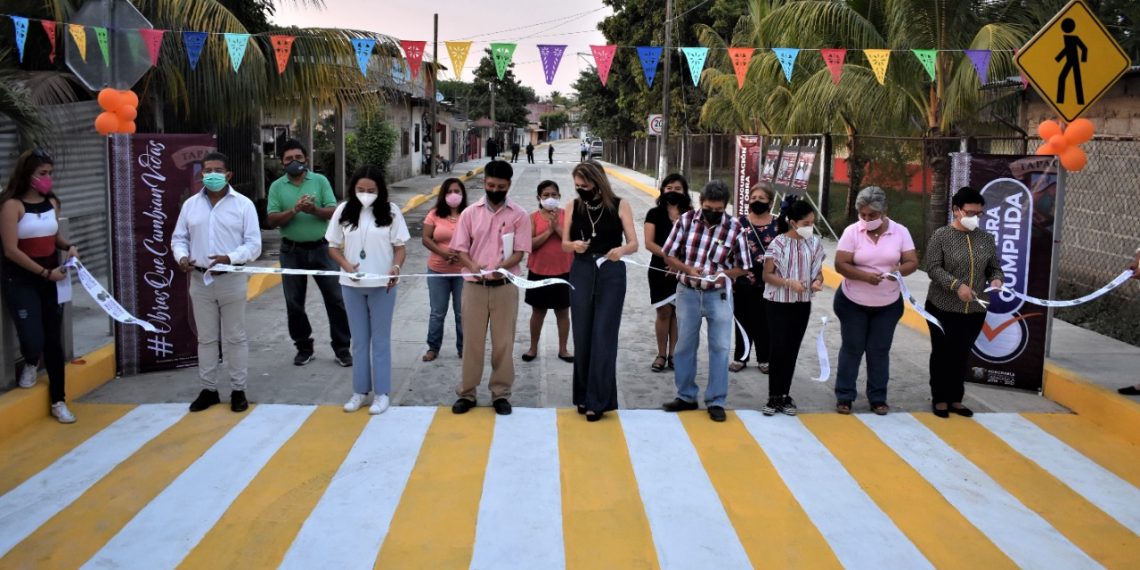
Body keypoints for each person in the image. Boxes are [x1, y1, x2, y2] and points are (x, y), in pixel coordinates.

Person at [171, 152, 262, 413]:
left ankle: (238, 390)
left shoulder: (243, 205)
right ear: (201, 175)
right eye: (207, 170)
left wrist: (230, 257)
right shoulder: (190, 205)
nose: (211, 175)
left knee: (235, 337)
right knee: (207, 338)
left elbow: (254, 245)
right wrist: (182, 256)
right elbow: (179, 238)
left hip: (231, 278)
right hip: (199, 279)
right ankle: (209, 389)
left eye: (217, 170)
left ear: (228, 174)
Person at [660, 180, 751, 423]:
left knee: (720, 348)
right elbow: (667, 255)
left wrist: (723, 274)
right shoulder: (686, 221)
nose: (713, 213)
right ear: (701, 203)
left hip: (718, 295)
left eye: (719, 210)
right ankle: (686, 396)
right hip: (687, 293)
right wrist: (687, 268)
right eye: (709, 207)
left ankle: (716, 400)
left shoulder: (735, 229)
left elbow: (743, 267)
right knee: (684, 347)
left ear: (726, 206)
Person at [0, 149, 78, 423]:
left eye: (50, 173)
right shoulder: (12, 205)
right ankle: (31, 361)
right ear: (27, 175)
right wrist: (45, 273)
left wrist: (69, 247)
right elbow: (11, 250)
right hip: (22, 278)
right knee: (33, 338)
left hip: (52, 276)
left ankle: (59, 400)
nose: (48, 179)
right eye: (42, 174)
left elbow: (52, 237)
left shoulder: (52, 203)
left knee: (53, 341)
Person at [450, 160, 532, 415]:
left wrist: (502, 268)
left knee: (503, 342)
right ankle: (467, 393)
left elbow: (520, 252)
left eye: (500, 186)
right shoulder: (469, 213)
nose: (494, 190)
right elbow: (460, 249)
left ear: (508, 185)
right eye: (490, 185)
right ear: (484, 182)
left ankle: (500, 394)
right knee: (472, 342)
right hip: (475, 286)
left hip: (506, 286)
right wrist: (473, 265)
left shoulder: (519, 215)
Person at [326, 166, 409, 414]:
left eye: (371, 190)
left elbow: (400, 247)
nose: (365, 194)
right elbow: (332, 246)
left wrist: (395, 267)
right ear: (353, 189)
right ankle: (359, 391)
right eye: (360, 190)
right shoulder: (343, 210)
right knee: (359, 342)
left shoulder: (391, 212)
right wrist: (346, 266)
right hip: (351, 285)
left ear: (379, 190)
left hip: (382, 287)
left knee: (380, 342)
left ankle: (382, 393)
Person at [832, 187, 919, 415]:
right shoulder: (852, 232)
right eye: (863, 215)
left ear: (884, 211)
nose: (867, 220)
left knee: (879, 350)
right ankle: (844, 396)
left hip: (887, 304)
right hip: (852, 302)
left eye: (872, 215)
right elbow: (840, 264)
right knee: (852, 348)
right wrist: (865, 277)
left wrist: (898, 271)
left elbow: (912, 261)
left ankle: (878, 398)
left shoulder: (900, 232)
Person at [266, 139, 352, 367]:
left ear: (306, 159)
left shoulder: (320, 181)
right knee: (294, 303)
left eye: (298, 158)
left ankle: (342, 348)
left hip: (323, 249)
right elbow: (272, 219)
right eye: (288, 159)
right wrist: (294, 210)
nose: (294, 162)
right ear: (282, 163)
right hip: (291, 252)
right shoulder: (276, 187)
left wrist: (314, 210)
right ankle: (303, 347)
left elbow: (334, 212)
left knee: (336, 300)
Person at [563, 162, 639, 421]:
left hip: (611, 271)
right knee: (582, 335)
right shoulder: (573, 206)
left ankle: (599, 400)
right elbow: (564, 244)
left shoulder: (620, 205)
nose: (580, 189)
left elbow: (634, 243)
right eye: (577, 186)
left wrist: (621, 250)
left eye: (585, 185)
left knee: (604, 336)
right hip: (581, 270)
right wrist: (573, 244)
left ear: (597, 182)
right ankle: (583, 397)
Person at [923, 187, 1004, 418]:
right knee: (942, 352)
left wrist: (997, 278)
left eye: (979, 214)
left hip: (975, 309)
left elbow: (994, 266)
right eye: (970, 213)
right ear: (956, 210)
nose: (975, 218)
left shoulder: (985, 239)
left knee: (961, 353)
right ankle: (940, 398)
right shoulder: (941, 236)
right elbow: (933, 268)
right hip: (942, 307)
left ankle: (955, 398)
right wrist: (956, 286)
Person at [760, 197, 825, 417]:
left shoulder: (814, 243)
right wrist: (788, 282)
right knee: (777, 348)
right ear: (793, 222)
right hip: (778, 303)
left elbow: (818, 271)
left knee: (792, 349)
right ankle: (773, 396)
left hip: (801, 304)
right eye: (806, 223)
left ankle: (785, 395)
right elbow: (767, 275)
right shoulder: (778, 243)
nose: (810, 227)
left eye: (812, 223)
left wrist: (817, 282)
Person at [643, 173, 692, 372]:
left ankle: (674, 355)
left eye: (678, 188)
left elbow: (695, 243)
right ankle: (661, 354)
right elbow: (649, 243)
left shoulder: (691, 214)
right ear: (663, 190)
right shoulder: (654, 213)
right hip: (658, 268)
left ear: (685, 192)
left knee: (678, 313)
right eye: (669, 188)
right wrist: (669, 258)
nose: (673, 191)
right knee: (664, 312)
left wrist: (679, 263)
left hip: (683, 269)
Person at [730, 182, 778, 374]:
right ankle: (741, 357)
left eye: (762, 199)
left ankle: (764, 358)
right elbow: (730, 250)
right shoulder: (738, 223)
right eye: (754, 198)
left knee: (765, 321)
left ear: (770, 202)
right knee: (742, 319)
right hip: (743, 281)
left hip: (769, 281)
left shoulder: (778, 224)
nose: (757, 202)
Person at [523, 180, 573, 363]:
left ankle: (563, 349)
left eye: (554, 195)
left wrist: (556, 228)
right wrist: (549, 232)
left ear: (559, 197)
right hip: (539, 271)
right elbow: (530, 244)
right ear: (539, 198)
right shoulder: (533, 217)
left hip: (564, 270)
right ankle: (532, 348)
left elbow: (571, 242)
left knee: (562, 312)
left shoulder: (567, 215)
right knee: (538, 312)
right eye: (546, 195)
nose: (550, 198)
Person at [421, 178, 468, 362]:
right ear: (443, 194)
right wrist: (443, 253)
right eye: (449, 191)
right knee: (437, 312)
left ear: (462, 194)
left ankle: (463, 348)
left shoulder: (469, 214)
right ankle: (433, 348)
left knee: (462, 312)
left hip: (463, 272)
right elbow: (426, 238)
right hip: (437, 270)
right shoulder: (434, 214)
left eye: (457, 191)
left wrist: (462, 255)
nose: (453, 195)